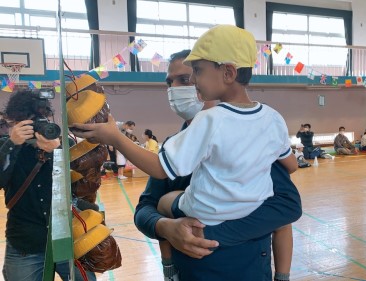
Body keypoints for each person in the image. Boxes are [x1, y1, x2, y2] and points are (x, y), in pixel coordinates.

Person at [73, 27, 301, 281]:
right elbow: (144, 210)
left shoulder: (217, 124)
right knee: (162, 202)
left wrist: (213, 236)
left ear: (227, 73)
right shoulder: (269, 120)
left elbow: (288, 207)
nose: (188, 83)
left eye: (193, 74)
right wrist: (167, 228)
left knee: (167, 200)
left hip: (245, 267)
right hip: (194, 271)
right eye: (171, 82)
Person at [0, 89, 96, 281]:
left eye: (39, 121)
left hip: (68, 238)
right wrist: (12, 144)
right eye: (28, 123)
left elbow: (87, 184)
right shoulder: (6, 146)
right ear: (15, 122)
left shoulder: (63, 143)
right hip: (24, 244)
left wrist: (57, 151)